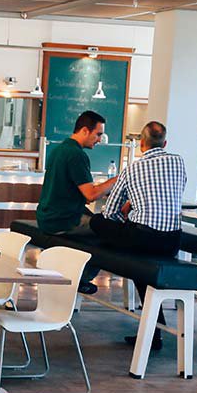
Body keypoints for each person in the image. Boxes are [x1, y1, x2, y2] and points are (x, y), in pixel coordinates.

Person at [90, 120, 186, 350]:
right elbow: (174, 192)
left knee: (96, 221)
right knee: (144, 276)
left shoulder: (132, 168)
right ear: (165, 143)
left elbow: (110, 212)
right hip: (172, 241)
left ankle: (104, 260)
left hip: (143, 239)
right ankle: (153, 335)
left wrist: (127, 213)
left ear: (141, 144)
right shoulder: (178, 162)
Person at [36, 109, 118, 293]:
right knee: (109, 232)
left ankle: (73, 270)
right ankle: (80, 278)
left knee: (98, 223)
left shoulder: (60, 149)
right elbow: (90, 195)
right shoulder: (76, 155)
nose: (99, 140)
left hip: (48, 215)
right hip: (62, 219)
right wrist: (117, 179)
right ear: (84, 131)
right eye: (98, 134)